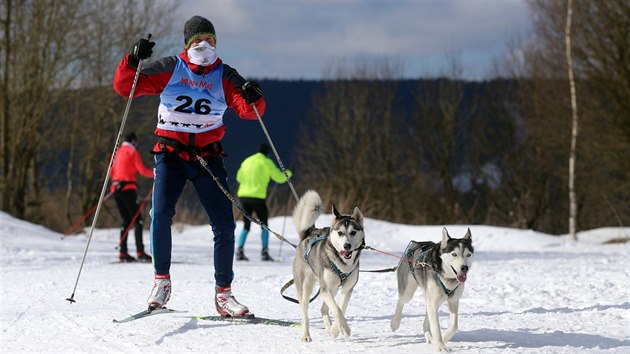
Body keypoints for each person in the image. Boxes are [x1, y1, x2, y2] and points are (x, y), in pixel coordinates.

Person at [113, 15, 266, 317]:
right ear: (187, 44)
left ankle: (224, 294)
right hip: (171, 154)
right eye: (198, 41)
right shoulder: (171, 67)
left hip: (207, 157)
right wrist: (133, 59)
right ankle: (161, 283)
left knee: (223, 224)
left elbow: (249, 111)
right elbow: (125, 87)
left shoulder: (225, 74)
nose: (205, 46)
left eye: (210, 40)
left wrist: (255, 97)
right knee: (160, 215)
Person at [235, 143, 292, 261]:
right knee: (264, 225)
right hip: (258, 198)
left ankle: (240, 250)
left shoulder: (247, 161)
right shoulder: (266, 162)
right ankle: (264, 252)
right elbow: (280, 178)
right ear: (267, 153)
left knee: (246, 224)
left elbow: (238, 177)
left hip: (244, 196)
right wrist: (290, 172)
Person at [110, 132, 154, 263]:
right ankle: (140, 251)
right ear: (134, 141)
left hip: (116, 189)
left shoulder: (117, 152)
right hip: (128, 189)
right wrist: (157, 173)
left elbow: (111, 171)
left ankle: (123, 252)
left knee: (126, 220)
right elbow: (142, 170)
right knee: (137, 220)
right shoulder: (132, 151)